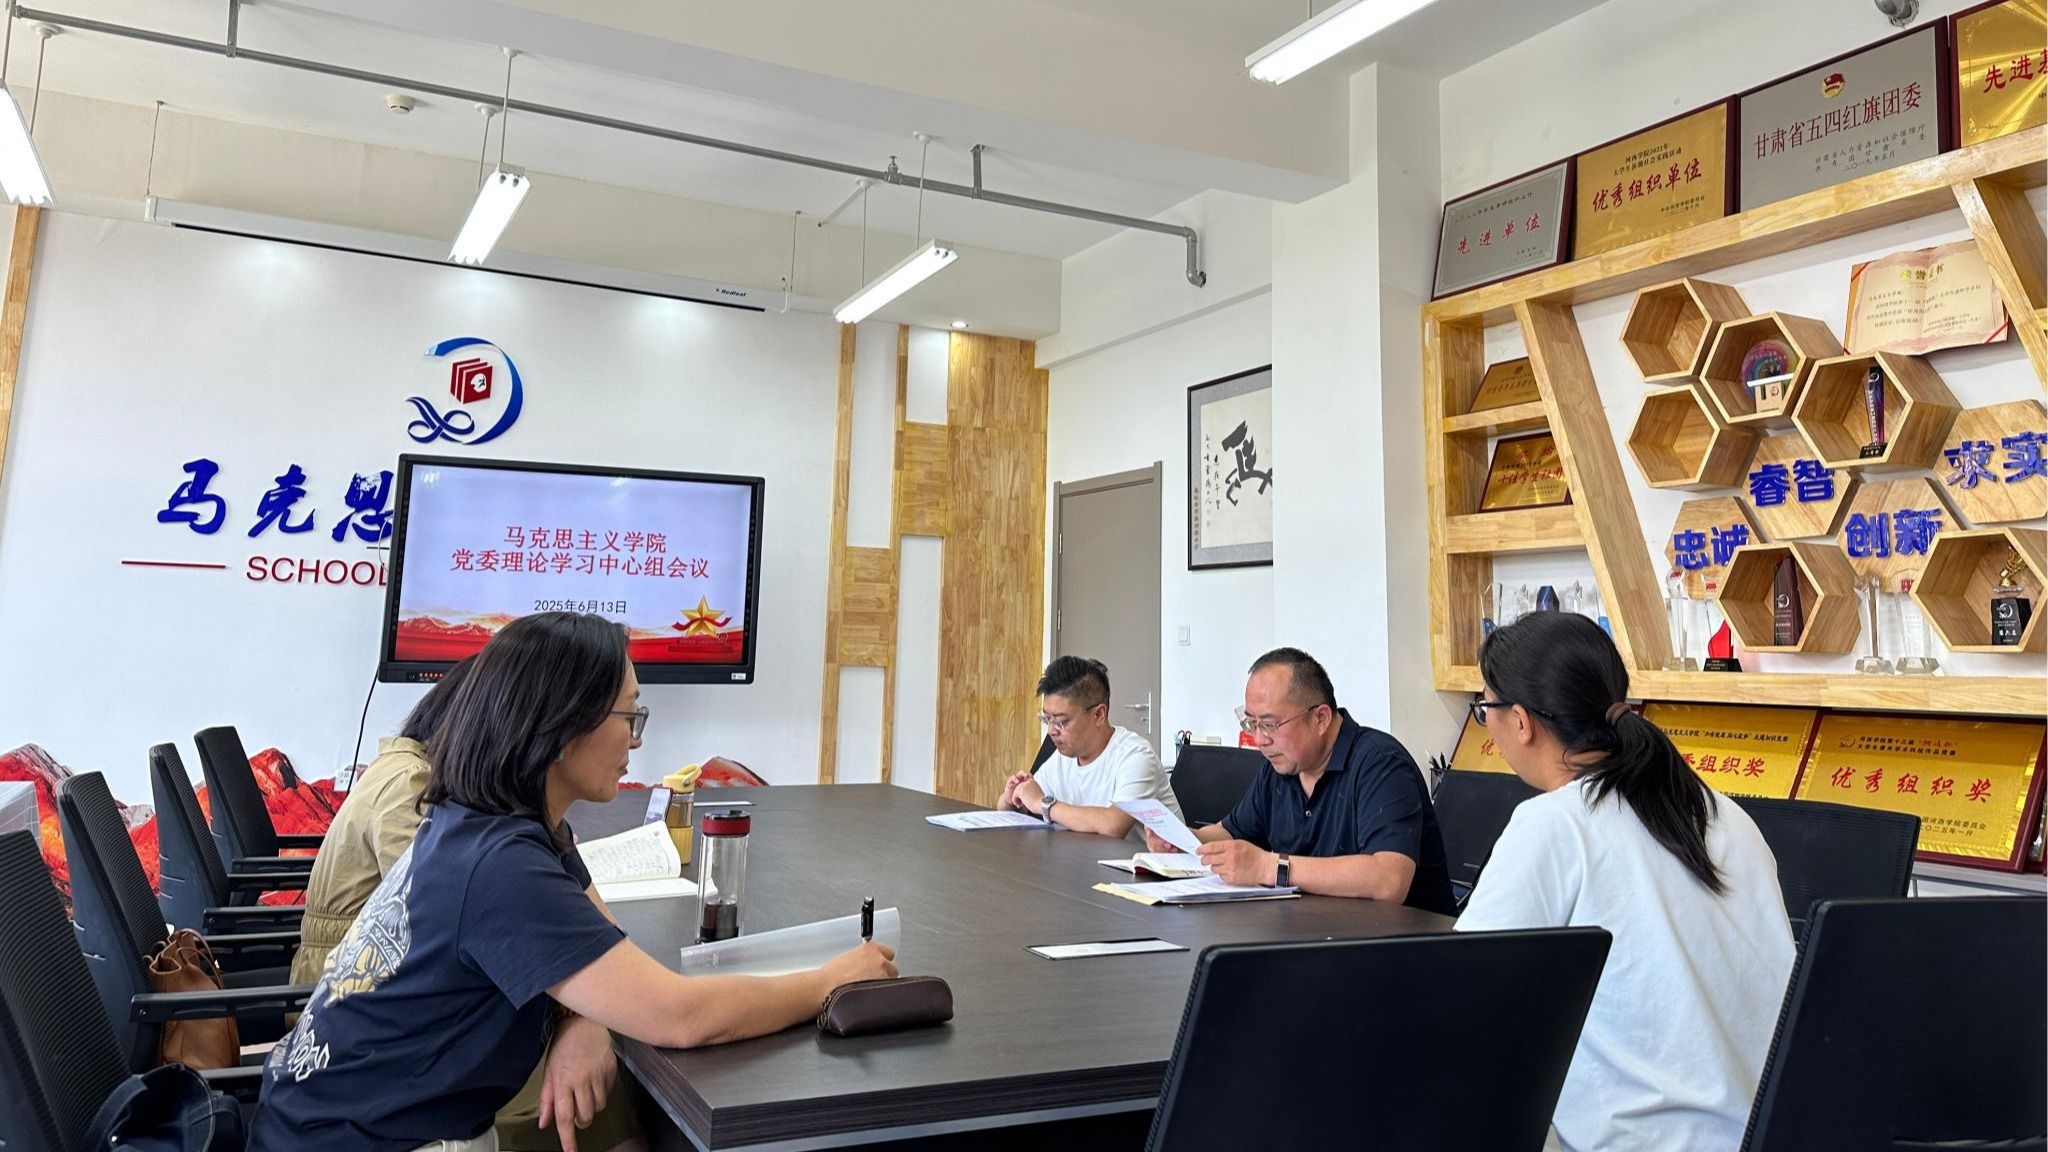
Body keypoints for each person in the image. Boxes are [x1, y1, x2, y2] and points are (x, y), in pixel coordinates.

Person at [252, 613, 896, 1152]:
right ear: (561, 729)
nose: (636, 742)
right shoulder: (500, 865)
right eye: (629, 717)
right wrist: (828, 980)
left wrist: (584, 1018)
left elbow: (597, 937)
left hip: (325, 1121)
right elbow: (679, 1016)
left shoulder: (496, 821)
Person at [1455, 612, 1794, 1152]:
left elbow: (1461, 996)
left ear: (1520, 722)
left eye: (1485, 709)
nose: (1487, 726)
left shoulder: (1554, 824)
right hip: (1770, 1131)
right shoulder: (1723, 813)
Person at [1148, 648, 1456, 914]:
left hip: (1403, 947)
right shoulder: (1281, 767)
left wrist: (1269, 867)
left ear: (1320, 718)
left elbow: (1388, 880)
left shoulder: (1380, 763)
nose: (1259, 739)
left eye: (1269, 724)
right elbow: (1230, 832)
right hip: (1313, 933)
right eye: (1251, 723)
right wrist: (1184, 841)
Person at [289, 657, 473, 986]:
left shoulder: (401, 763)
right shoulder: (409, 782)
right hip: (344, 981)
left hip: (352, 962)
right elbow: (429, 908)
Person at [997, 656, 1181, 841]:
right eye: (1047, 719)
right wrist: (1012, 799)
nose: (1052, 730)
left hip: (1146, 859)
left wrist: (1043, 804)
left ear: (1099, 714)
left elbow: (1113, 825)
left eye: (1061, 722)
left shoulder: (1136, 755)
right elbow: (1030, 803)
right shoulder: (1063, 756)